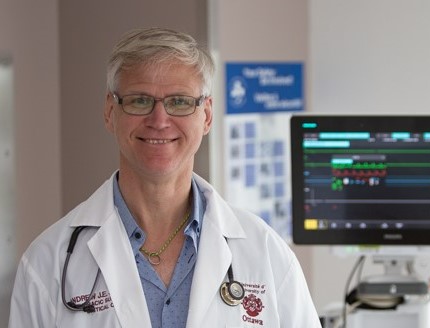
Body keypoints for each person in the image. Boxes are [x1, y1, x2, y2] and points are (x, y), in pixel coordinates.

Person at [8, 27, 321, 327]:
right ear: (109, 111)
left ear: (207, 115)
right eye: (139, 100)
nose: (159, 120)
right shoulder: (48, 262)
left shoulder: (266, 252)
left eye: (180, 102)